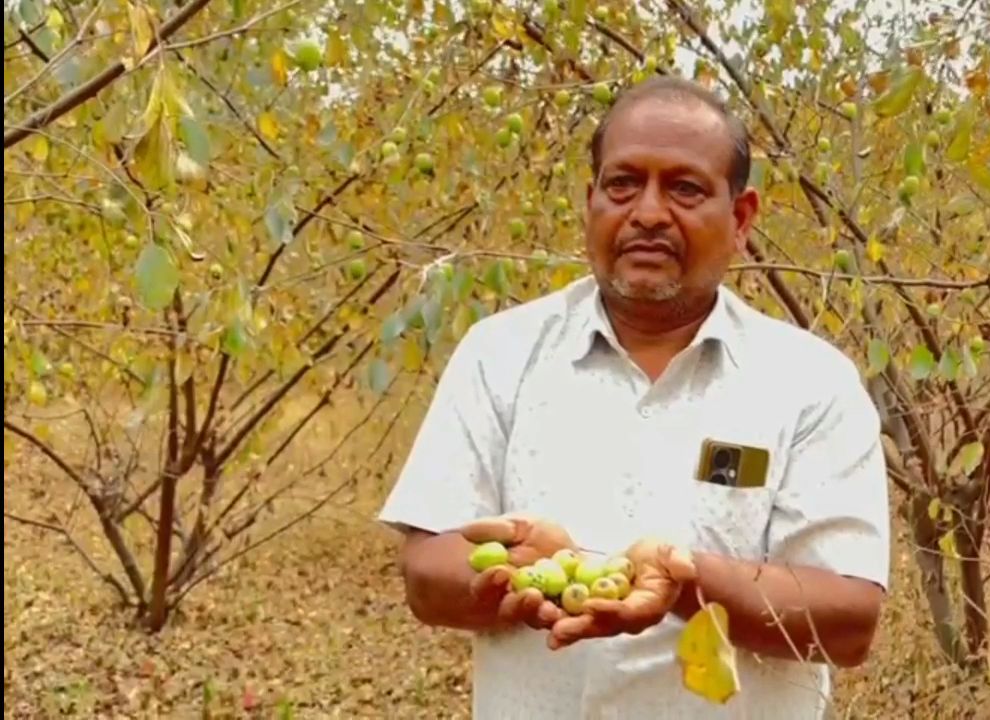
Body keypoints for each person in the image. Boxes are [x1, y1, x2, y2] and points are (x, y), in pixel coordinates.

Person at [378, 76, 890, 719]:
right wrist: (526, 577)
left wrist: (686, 582)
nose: (647, 212)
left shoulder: (811, 383)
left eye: (684, 188)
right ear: (590, 201)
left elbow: (848, 620)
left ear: (741, 218)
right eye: (623, 184)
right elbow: (427, 575)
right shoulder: (501, 354)